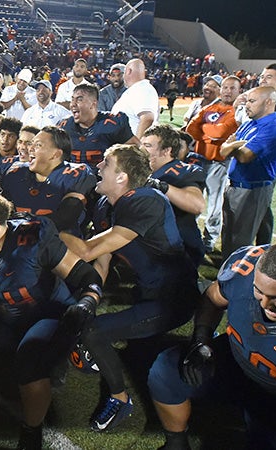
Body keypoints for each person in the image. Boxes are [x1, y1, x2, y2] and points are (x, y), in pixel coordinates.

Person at [60, 144, 199, 432]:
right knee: (92, 329)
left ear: (122, 177)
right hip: (149, 292)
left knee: (94, 332)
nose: (98, 167)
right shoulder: (106, 205)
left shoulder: (145, 199)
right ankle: (98, 352)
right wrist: (91, 299)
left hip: (172, 300)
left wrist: (51, 227)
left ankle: (119, 399)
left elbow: (86, 250)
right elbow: (102, 260)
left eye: (106, 164)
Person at [0, 190, 103, 450]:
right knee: (4, 376)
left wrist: (86, 304)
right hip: (11, 318)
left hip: (51, 313)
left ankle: (31, 434)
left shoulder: (32, 239)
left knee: (29, 364)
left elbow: (86, 275)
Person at [148, 244, 276, 450]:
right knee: (165, 371)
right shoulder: (243, 270)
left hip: (272, 394)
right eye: (259, 291)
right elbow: (213, 297)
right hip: (235, 358)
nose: (264, 304)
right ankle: (176, 443)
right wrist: (202, 340)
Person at [1, 126, 96, 236]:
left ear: (56, 154)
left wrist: (25, 222)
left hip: (59, 246)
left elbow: (65, 218)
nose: (29, 148)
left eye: (38, 145)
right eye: (31, 144)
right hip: (20, 246)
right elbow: (0, 213)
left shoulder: (76, 174)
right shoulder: (15, 172)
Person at [219, 86, 276, 259]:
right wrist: (237, 145)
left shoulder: (273, 126)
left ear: (269, 102)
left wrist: (234, 146)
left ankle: (235, 282)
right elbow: (223, 150)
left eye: (252, 101)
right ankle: (225, 276)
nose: (246, 105)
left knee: (240, 243)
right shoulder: (249, 123)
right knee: (228, 237)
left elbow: (245, 157)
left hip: (252, 189)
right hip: (235, 186)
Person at [186, 75, 241, 253]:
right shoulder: (211, 107)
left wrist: (204, 131)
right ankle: (190, 234)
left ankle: (209, 240)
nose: (228, 91)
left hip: (219, 163)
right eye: (225, 87)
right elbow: (190, 129)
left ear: (239, 91)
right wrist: (208, 133)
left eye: (232, 88)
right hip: (199, 160)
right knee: (193, 199)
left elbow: (220, 132)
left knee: (215, 205)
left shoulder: (236, 112)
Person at [142, 124, 207, 267]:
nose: (141, 150)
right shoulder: (146, 170)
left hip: (180, 247)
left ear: (166, 150)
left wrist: (159, 186)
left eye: (147, 146)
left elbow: (197, 205)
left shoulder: (182, 171)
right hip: (154, 244)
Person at [58, 83, 138, 170]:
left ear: (93, 104)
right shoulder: (65, 126)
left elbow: (137, 150)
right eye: (72, 99)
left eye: (79, 99)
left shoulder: (111, 123)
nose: (72, 104)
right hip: (74, 180)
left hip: (105, 180)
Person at [111, 58, 159, 138]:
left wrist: (136, 147)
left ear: (129, 71)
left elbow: (147, 118)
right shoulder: (137, 89)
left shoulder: (142, 89)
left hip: (130, 147)